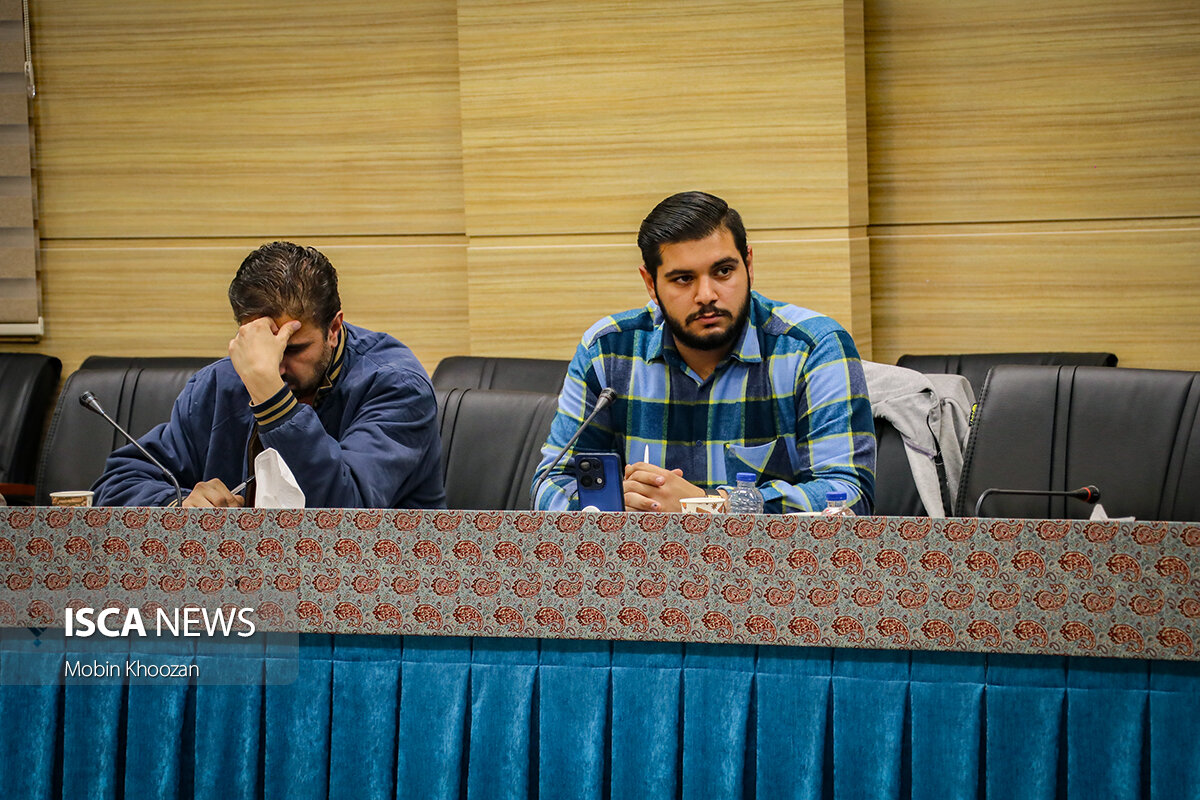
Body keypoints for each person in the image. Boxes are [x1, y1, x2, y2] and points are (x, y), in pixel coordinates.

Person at [532, 191, 875, 513]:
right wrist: (619, 507)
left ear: (748, 265)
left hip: (765, 557)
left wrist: (709, 507)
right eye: (683, 279)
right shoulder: (607, 351)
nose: (707, 295)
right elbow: (551, 483)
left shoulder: (813, 347)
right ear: (651, 284)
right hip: (641, 555)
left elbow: (849, 494)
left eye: (723, 271)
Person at [93, 241, 445, 509]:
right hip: (242, 579)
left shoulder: (397, 386)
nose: (275, 366)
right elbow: (119, 483)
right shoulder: (219, 383)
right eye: (264, 346)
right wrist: (178, 505)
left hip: (372, 576)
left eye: (294, 349)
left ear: (334, 328)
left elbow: (344, 516)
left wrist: (272, 400)